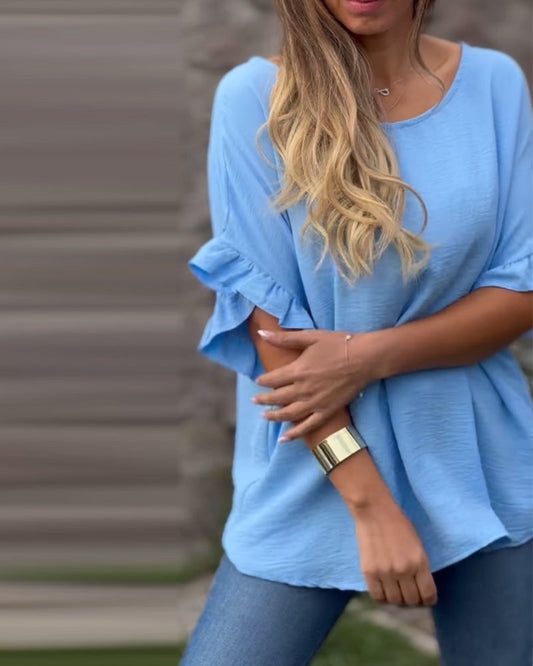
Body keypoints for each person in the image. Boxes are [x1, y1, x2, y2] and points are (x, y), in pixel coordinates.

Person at [183, 0, 533, 664]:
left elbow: (520, 293)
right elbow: (278, 343)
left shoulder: (494, 84)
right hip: (313, 460)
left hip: (476, 459)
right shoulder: (254, 97)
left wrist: (364, 357)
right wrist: (371, 509)